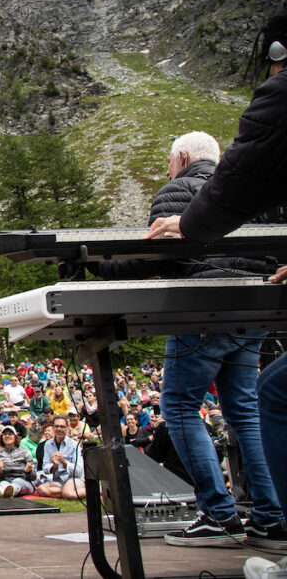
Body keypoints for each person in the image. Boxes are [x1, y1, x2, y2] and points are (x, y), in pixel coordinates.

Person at [142, 131, 286, 550]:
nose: (167, 168)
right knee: (247, 410)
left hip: (202, 310)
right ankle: (271, 516)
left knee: (180, 406)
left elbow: (160, 253)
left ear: (182, 157)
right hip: (253, 309)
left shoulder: (177, 190)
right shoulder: (247, 188)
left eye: (169, 161)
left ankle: (219, 515)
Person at [35, 416, 85, 500]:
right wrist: (54, 466)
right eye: (56, 426)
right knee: (41, 489)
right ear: (53, 428)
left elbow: (79, 471)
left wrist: (65, 462)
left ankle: (94, 490)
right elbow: (45, 468)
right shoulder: (47, 444)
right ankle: (68, 492)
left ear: (67, 428)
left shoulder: (74, 445)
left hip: (73, 478)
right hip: (59, 480)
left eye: (62, 427)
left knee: (69, 494)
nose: (59, 429)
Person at [0, 425, 35, 498]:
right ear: (1, 438)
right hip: (6, 480)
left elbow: (34, 477)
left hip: (23, 481)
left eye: (10, 434)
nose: (7, 436)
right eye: (5, 434)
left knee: (17, 482)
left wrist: (28, 471)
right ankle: (3, 492)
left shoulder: (25, 452)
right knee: (3, 483)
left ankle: (10, 491)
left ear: (15, 437)